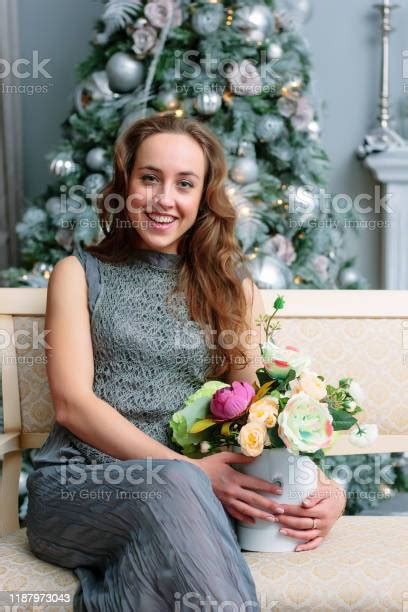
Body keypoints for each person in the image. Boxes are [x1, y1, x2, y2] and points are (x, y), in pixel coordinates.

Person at [26, 113, 346, 611]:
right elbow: (72, 405)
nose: (163, 199)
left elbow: (267, 409)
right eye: (149, 177)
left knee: (172, 496)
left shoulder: (231, 291)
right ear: (125, 183)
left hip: (183, 500)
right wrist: (193, 473)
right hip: (77, 488)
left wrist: (328, 490)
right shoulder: (77, 274)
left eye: (184, 184)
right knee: (173, 484)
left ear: (203, 199)